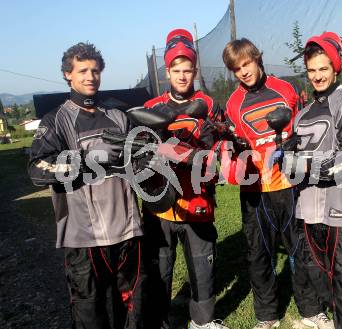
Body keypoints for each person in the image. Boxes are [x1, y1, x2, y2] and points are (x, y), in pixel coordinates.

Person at [28, 42, 149, 329]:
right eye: (82, 70)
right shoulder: (56, 120)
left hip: (127, 229)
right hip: (84, 238)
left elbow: (142, 155)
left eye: (95, 70)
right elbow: (36, 168)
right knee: (89, 311)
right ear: (68, 75)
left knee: (134, 305)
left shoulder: (119, 115)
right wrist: (83, 160)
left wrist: (144, 160)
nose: (90, 76)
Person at [221, 38, 331, 329]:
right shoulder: (232, 105)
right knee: (259, 254)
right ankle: (267, 315)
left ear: (257, 58)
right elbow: (233, 149)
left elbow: (306, 128)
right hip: (256, 192)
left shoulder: (287, 89)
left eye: (246, 63)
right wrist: (235, 153)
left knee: (301, 250)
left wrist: (296, 144)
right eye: (236, 68)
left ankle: (311, 311)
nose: (243, 71)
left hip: (291, 185)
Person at [141, 29, 228, 329]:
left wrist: (215, 151)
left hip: (197, 198)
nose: (182, 76)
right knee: (160, 267)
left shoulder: (209, 103)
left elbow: (222, 146)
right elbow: (137, 150)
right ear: (167, 71)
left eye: (187, 70)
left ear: (195, 70)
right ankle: (159, 321)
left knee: (202, 264)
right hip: (160, 202)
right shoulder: (151, 107)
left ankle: (202, 322)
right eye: (176, 70)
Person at [292, 32, 342, 329]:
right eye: (311, 69)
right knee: (321, 277)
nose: (317, 76)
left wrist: (300, 166)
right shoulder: (301, 114)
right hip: (310, 209)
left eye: (323, 68)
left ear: (335, 67)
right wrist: (284, 158)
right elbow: (289, 161)